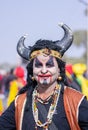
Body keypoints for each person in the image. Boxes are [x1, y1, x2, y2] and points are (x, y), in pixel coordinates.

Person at [0, 23, 88, 130]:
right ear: (32, 71)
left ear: (59, 70)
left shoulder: (75, 101)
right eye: (38, 65)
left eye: (49, 64)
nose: (44, 70)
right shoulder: (20, 103)